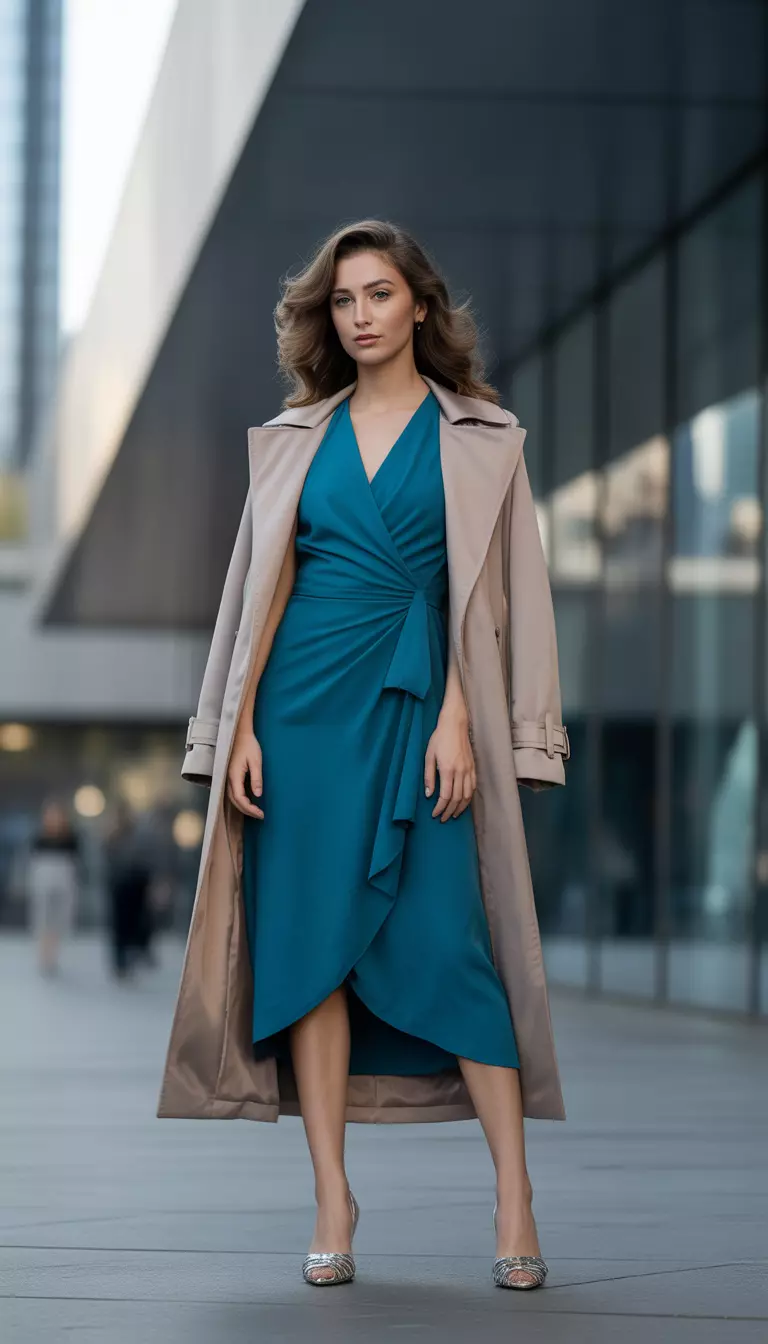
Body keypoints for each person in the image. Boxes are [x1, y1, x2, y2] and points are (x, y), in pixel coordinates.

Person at [158, 219, 570, 1292]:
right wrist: (237, 724)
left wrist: (465, 724)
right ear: (327, 317)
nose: (362, 316)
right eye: (344, 301)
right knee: (310, 961)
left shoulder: (481, 437)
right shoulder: (293, 436)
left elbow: (507, 598)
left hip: (422, 711)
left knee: (452, 948)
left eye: (380, 295)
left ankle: (515, 1196)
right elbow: (254, 599)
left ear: (419, 305)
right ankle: (332, 1194)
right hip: (296, 718)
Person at [27, 799, 81, 975]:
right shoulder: (39, 837)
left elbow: (75, 860)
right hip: (43, 878)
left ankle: (53, 955)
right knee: (43, 918)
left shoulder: (70, 838)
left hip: (64, 879)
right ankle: (44, 956)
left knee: (59, 919)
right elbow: (33, 860)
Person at [104, 800, 152, 979]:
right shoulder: (111, 835)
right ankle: (121, 961)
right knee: (120, 925)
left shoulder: (138, 834)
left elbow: (144, 858)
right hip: (120, 884)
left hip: (135, 883)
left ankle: (128, 958)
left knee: (133, 923)